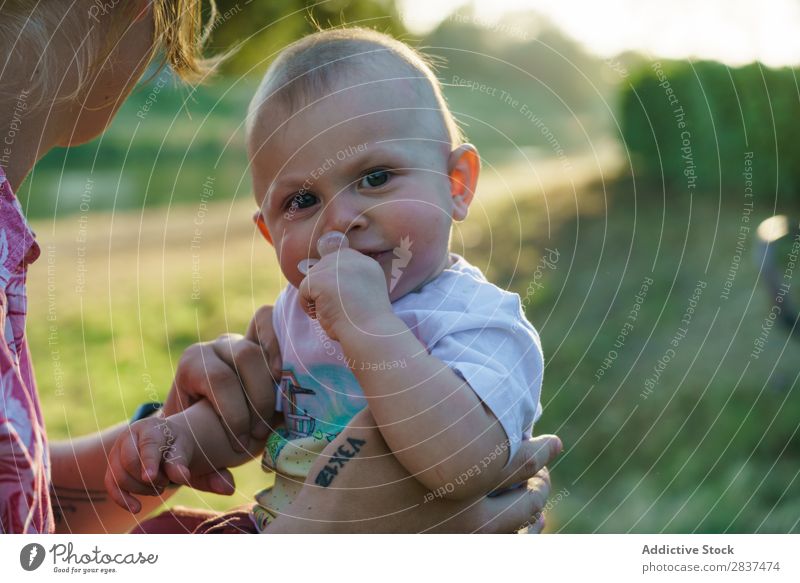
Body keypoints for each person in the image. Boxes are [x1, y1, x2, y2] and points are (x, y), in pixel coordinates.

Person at [1, 1, 559, 535]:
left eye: (376, 177)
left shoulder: (478, 322)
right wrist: (178, 440)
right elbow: (260, 417)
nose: (339, 220)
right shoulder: (301, 314)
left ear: (456, 185)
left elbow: (467, 463)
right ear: (269, 233)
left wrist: (366, 327)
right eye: (301, 201)